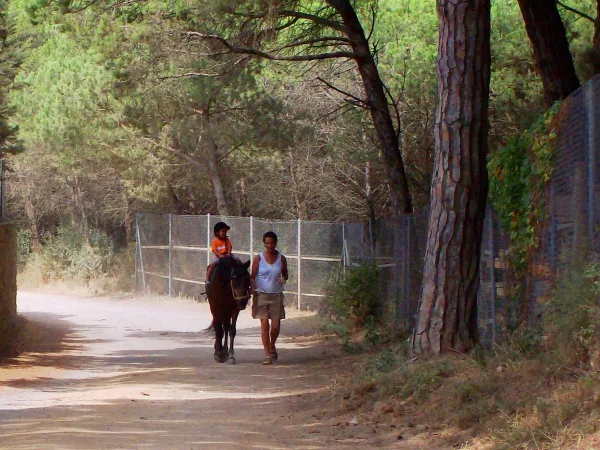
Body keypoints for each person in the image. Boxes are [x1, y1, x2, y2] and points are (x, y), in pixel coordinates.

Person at [250, 231, 288, 365]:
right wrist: (252, 289)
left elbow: (286, 275)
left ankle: (272, 345)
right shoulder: (258, 258)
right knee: (264, 325)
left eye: (272, 243)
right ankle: (267, 354)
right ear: (264, 243)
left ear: (276, 243)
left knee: (276, 327)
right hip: (261, 294)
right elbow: (252, 276)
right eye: (267, 243)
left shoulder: (281, 258)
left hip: (276, 295)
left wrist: (283, 279)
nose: (269, 245)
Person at [206, 221, 233, 288]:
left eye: (225, 232)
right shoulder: (214, 241)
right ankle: (207, 279)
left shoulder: (227, 240)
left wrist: (229, 253)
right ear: (217, 232)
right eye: (223, 231)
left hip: (227, 255)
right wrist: (220, 255)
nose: (224, 233)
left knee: (238, 261)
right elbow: (214, 250)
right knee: (212, 266)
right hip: (219, 257)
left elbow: (229, 247)